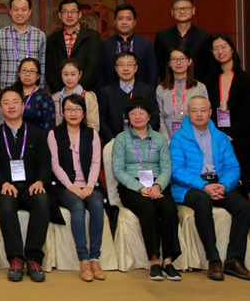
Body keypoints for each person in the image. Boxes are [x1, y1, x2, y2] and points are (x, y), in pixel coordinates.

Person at [170, 96, 250, 281]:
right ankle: (213, 259)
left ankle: (234, 259)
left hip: (219, 184)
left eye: (203, 110)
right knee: (202, 202)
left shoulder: (221, 138)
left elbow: (233, 167)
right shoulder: (179, 138)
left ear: (210, 113)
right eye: (194, 111)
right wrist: (204, 186)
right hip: (190, 187)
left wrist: (224, 185)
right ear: (188, 113)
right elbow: (177, 170)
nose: (199, 114)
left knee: (244, 207)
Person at [0, 87, 51, 283]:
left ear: (22, 105)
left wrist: (40, 181)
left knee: (42, 200)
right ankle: (15, 259)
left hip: (30, 187)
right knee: (5, 203)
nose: (11, 106)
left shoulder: (37, 134)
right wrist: (3, 183)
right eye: (6, 103)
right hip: (5, 188)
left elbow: (45, 164)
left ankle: (34, 259)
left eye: (15, 102)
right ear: (0, 108)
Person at [112, 98, 182, 281]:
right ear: (128, 117)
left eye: (141, 112)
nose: (137, 116)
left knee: (169, 210)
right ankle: (154, 260)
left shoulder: (160, 139)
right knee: (148, 209)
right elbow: (117, 170)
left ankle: (168, 260)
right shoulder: (121, 139)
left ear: (149, 116)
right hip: (132, 186)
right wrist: (139, 188)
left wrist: (158, 185)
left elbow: (166, 168)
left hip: (157, 184)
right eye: (133, 113)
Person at [48, 95, 105, 282]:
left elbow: (96, 162)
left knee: (97, 204)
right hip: (65, 186)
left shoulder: (92, 134)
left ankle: (95, 258)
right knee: (78, 207)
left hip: (88, 184)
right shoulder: (54, 134)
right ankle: (83, 260)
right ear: (63, 113)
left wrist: (89, 185)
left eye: (77, 109)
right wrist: (71, 186)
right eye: (69, 109)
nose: (73, 113)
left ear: (84, 113)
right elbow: (55, 164)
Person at [204, 34, 250, 195]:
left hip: (240, 138)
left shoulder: (245, 79)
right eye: (215, 49)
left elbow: (247, 112)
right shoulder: (208, 80)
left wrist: (231, 135)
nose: (220, 51)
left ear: (232, 49)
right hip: (215, 137)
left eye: (223, 47)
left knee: (240, 181)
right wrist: (217, 135)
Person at [99, 51, 158, 142]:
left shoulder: (147, 91)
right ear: (116, 68)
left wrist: (144, 137)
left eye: (129, 65)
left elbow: (155, 117)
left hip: (143, 142)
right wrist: (113, 140)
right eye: (121, 65)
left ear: (136, 68)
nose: (125, 68)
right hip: (114, 142)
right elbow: (102, 120)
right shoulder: (106, 92)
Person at [46, 0, 101, 92]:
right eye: (65, 12)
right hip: (60, 93)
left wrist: (78, 90)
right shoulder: (52, 39)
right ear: (60, 15)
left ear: (79, 14)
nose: (69, 15)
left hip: (85, 92)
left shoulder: (93, 36)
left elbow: (93, 66)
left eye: (73, 12)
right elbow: (50, 69)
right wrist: (62, 91)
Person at [0, 0, 46, 89]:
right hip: (6, 89)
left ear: (30, 12)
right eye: (16, 9)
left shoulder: (40, 35)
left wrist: (40, 90)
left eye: (24, 9)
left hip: (32, 91)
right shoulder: (0, 35)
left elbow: (42, 65)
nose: (20, 13)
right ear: (10, 11)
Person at [154, 0, 212, 81]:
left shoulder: (205, 37)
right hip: (169, 85)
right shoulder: (162, 36)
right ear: (172, 12)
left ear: (193, 10)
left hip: (197, 85)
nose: (182, 11)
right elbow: (158, 65)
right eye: (178, 9)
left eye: (186, 8)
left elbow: (208, 66)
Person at [99, 4, 158, 88]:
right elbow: (101, 73)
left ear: (134, 22)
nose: (124, 22)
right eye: (120, 19)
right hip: (111, 92)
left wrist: (149, 92)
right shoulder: (105, 44)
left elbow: (152, 72)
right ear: (115, 22)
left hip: (140, 92)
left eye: (128, 19)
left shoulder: (145, 44)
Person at [156, 47, 208, 140]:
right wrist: (167, 141)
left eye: (182, 58)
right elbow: (160, 116)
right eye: (174, 59)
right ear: (169, 63)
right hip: (167, 140)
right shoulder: (161, 88)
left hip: (194, 140)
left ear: (189, 61)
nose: (178, 62)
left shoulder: (200, 87)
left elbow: (204, 115)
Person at [51, 59, 99, 131]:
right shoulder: (55, 98)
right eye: (65, 74)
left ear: (80, 74)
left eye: (73, 74)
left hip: (84, 137)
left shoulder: (88, 97)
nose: (69, 78)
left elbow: (94, 126)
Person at [14, 58, 55, 133]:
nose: (27, 74)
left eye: (32, 71)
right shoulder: (12, 93)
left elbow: (49, 126)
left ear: (38, 75)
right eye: (24, 70)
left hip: (36, 137)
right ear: (19, 73)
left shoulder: (44, 97)